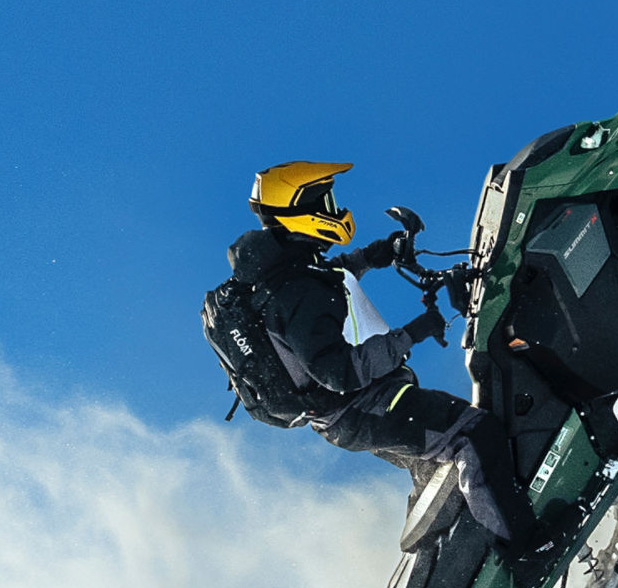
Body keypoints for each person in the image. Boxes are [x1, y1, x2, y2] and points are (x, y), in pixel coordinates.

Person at [210, 161, 540, 550]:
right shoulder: (296, 290)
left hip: (351, 413)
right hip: (363, 407)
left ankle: (454, 561)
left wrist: (381, 252)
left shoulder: (283, 268)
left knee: (436, 475)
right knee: (473, 434)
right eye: (326, 201)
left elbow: (332, 276)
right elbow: (340, 372)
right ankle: (527, 552)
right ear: (302, 210)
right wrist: (414, 332)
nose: (336, 211)